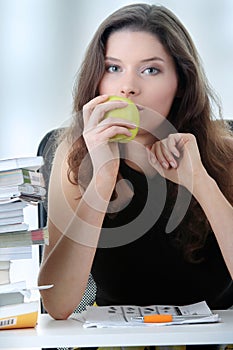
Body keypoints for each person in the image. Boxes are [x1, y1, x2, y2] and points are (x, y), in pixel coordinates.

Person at [38, 3, 233, 350]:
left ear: (181, 82)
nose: (127, 87)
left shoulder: (226, 151)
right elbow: (59, 304)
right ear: (97, 79)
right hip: (119, 340)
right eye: (113, 68)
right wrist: (101, 180)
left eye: (150, 70)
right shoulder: (74, 153)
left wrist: (201, 183)